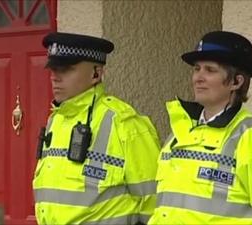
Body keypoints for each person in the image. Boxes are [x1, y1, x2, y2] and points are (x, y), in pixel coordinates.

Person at [149, 31, 252, 224]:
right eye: (197, 69)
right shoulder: (178, 135)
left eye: (210, 70)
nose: (198, 77)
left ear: (237, 82)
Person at [32, 32, 161, 225]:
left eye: (66, 69)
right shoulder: (56, 120)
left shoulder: (124, 122)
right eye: (53, 70)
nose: (55, 78)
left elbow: (155, 202)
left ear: (96, 73)